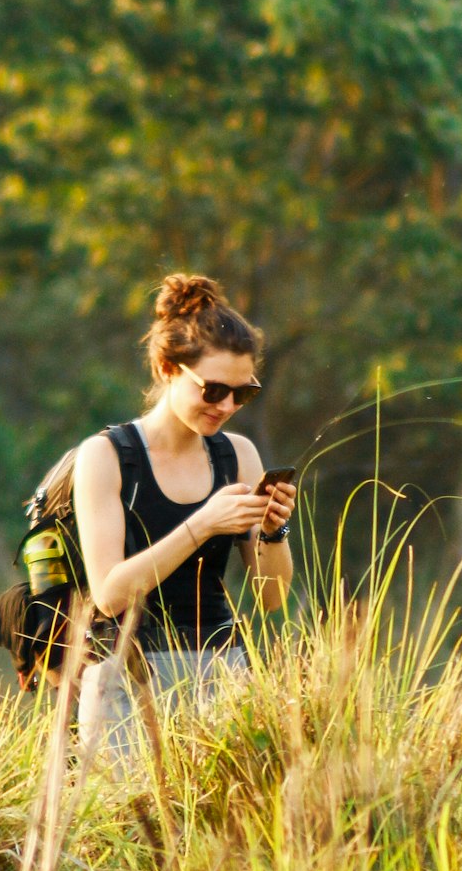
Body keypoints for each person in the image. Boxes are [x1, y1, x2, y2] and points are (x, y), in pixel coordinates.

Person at [72, 272, 296, 757]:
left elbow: (273, 597)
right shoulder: (107, 456)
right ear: (169, 370)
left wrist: (274, 533)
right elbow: (110, 594)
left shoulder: (237, 456)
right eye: (214, 390)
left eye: (244, 393)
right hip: (127, 672)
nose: (228, 406)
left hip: (221, 668)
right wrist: (203, 524)